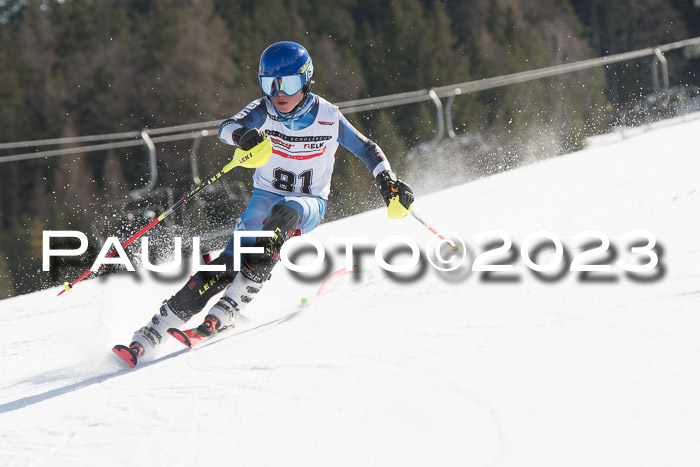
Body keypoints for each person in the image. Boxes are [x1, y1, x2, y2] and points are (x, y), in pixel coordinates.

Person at [112, 41, 414, 367]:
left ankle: (228, 309)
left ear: (306, 80)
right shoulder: (264, 109)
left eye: (289, 84)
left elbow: (367, 149)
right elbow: (226, 128)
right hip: (264, 197)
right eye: (270, 84)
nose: (279, 93)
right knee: (226, 264)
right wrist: (244, 136)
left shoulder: (328, 116)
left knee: (282, 216)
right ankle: (151, 333)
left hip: (308, 202)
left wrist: (388, 181)